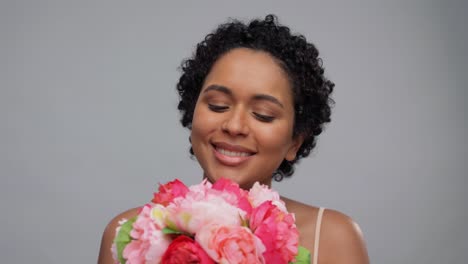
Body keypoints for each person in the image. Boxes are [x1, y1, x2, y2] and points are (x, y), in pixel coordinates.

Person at [98, 14, 369, 264]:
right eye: (217, 105)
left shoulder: (334, 238)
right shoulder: (130, 234)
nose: (234, 126)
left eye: (263, 114)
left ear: (295, 142)